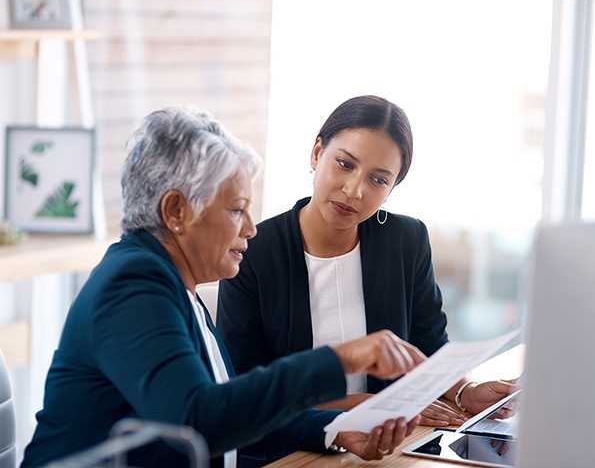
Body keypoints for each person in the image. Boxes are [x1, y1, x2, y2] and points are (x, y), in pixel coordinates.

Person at [21, 107, 426, 468]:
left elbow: (231, 410)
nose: (250, 229)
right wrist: (339, 360)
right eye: (236, 210)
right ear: (177, 211)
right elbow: (198, 422)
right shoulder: (132, 286)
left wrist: (335, 428)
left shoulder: (175, 284)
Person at [217, 95, 516, 430]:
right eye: (345, 164)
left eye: (378, 179)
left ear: (391, 188)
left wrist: (465, 392)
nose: (355, 190)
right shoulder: (253, 251)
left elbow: (428, 347)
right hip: (289, 446)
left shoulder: (406, 240)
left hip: (390, 438)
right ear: (317, 154)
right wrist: (365, 407)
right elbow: (244, 389)